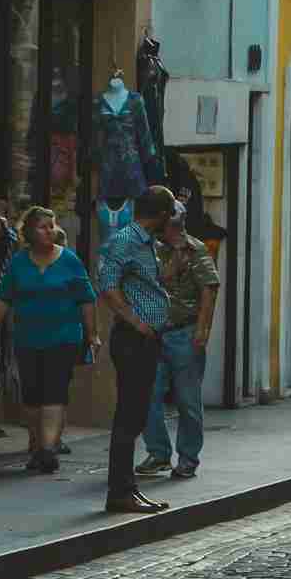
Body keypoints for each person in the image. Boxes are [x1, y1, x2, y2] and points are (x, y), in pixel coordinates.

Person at [0, 206, 95, 475]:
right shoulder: (19, 263)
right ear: (30, 232)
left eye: (52, 225)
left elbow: (86, 298)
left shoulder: (69, 260)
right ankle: (37, 445)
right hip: (28, 339)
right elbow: (2, 298)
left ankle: (47, 450)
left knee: (54, 392)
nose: (50, 231)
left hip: (64, 337)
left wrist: (93, 334)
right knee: (32, 396)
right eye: (43, 227)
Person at [90, 185, 179, 516]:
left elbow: (146, 284)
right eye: (170, 213)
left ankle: (128, 488)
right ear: (162, 214)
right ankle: (120, 492)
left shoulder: (147, 242)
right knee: (129, 415)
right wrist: (137, 322)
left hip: (146, 338)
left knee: (137, 414)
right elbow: (107, 285)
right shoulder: (126, 240)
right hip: (133, 339)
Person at [134, 205, 220, 481]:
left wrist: (203, 329)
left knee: (187, 399)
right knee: (149, 395)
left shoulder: (196, 250)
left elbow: (209, 290)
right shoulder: (150, 248)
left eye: (175, 223)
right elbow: (146, 283)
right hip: (154, 332)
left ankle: (187, 458)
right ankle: (158, 453)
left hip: (184, 332)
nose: (173, 228)